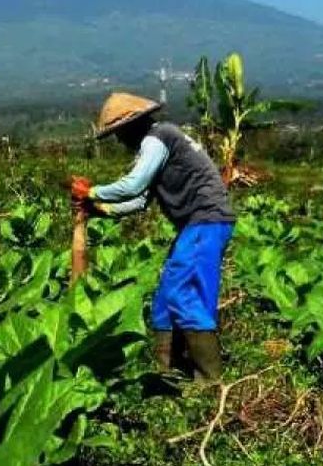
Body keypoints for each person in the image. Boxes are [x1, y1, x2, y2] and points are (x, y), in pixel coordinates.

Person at [71, 92, 234, 381]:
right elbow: (139, 201)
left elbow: (133, 185)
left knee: (184, 294)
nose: (119, 141)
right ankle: (166, 371)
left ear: (131, 126)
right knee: (165, 298)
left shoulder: (157, 138)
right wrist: (100, 210)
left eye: (118, 134)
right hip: (196, 225)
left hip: (205, 220)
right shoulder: (156, 146)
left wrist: (92, 192)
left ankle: (209, 380)